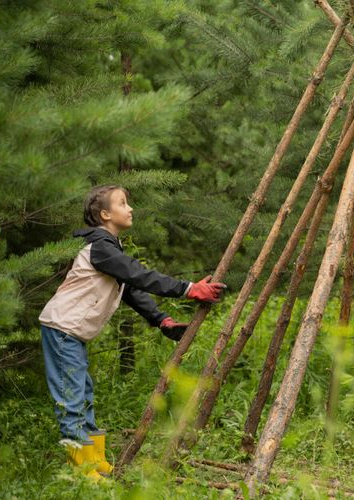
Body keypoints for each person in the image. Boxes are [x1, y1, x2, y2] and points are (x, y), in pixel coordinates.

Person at [38, 185, 227, 480]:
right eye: (123, 204)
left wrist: (161, 319)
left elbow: (132, 289)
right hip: (62, 329)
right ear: (105, 215)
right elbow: (140, 275)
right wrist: (188, 289)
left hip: (71, 332)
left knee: (84, 395)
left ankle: (95, 462)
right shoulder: (100, 247)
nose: (130, 208)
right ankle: (82, 475)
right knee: (72, 400)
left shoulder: (109, 248)